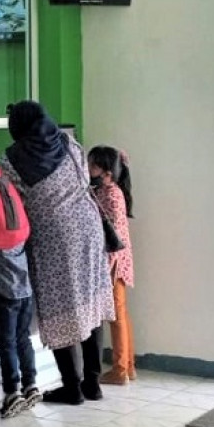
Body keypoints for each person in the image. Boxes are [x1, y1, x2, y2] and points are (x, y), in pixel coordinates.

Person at [0, 100, 114, 405]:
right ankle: (93, 382)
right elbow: (85, 178)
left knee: (60, 307)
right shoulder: (66, 140)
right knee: (90, 300)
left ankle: (71, 387)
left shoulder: (10, 160)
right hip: (89, 228)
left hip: (54, 237)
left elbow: (11, 201)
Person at [88, 145, 137, 385]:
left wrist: (107, 266)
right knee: (121, 314)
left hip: (113, 264)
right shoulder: (108, 191)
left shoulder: (111, 194)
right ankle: (128, 366)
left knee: (117, 316)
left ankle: (120, 370)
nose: (89, 169)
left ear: (106, 170)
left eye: (93, 165)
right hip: (117, 262)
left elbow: (113, 233)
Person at [0, 243, 41, 418]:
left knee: (7, 343)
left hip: (4, 292)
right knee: (23, 338)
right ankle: (30, 384)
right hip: (25, 290)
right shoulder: (18, 224)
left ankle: (12, 392)